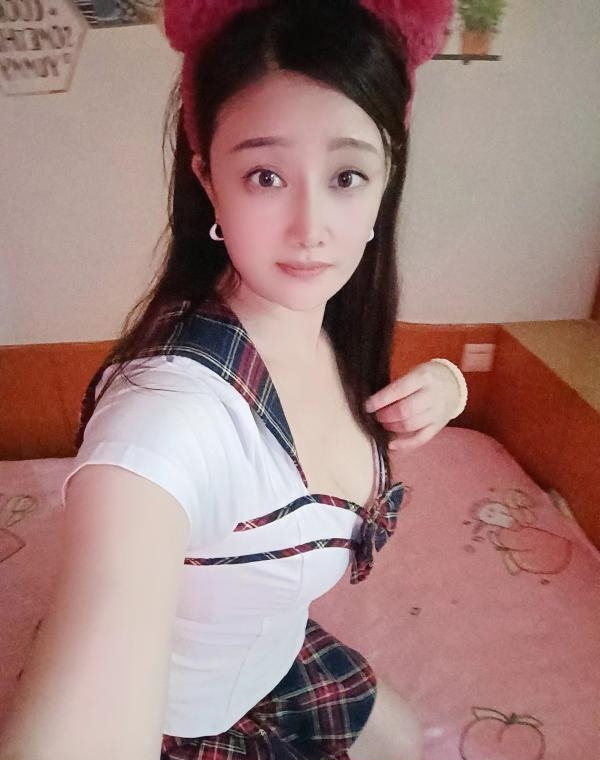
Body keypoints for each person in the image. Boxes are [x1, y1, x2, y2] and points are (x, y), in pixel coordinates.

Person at [0, 1, 464, 759]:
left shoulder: (327, 329)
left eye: (347, 175)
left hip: (274, 657)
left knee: (409, 744)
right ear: (209, 183)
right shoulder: (168, 413)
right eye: (265, 175)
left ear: (387, 181)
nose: (311, 227)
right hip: (187, 718)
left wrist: (451, 383)